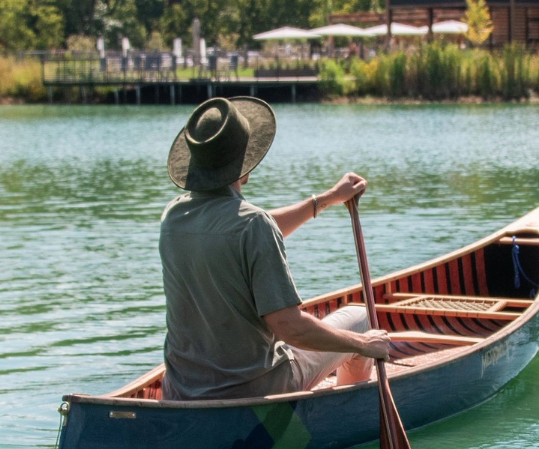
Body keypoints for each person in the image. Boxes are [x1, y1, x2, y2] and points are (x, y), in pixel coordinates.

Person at [159, 96, 390, 401]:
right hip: (255, 389)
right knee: (360, 319)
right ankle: (348, 409)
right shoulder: (253, 226)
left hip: (181, 392)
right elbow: (290, 328)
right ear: (246, 166)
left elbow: (247, 231)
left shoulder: (173, 217)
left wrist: (328, 198)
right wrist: (363, 344)